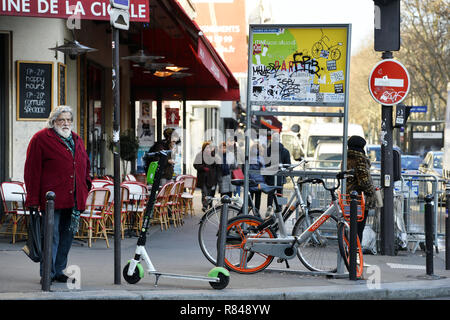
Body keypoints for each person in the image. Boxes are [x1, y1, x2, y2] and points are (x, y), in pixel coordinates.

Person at [24, 105, 92, 284]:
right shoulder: (41, 139)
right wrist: (31, 199)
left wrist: (86, 184)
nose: (66, 123)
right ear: (54, 121)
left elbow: (86, 164)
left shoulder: (77, 139)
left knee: (67, 236)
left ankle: (60, 269)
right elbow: (32, 171)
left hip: (74, 198)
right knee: (51, 236)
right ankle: (48, 272)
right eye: (62, 120)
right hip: (51, 199)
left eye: (69, 120)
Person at [346, 135, 377, 242]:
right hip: (360, 199)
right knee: (359, 228)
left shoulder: (346, 158)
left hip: (347, 197)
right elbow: (364, 181)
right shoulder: (360, 159)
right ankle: (355, 253)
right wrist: (372, 191)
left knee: (350, 227)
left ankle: (348, 251)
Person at [265, 131, 291, 208]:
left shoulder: (268, 150)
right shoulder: (285, 151)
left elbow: (265, 163)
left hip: (271, 176)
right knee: (280, 192)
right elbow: (288, 164)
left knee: (270, 193)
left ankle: (269, 207)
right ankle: (280, 208)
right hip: (281, 176)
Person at [194, 141, 220, 212]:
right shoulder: (199, 155)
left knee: (211, 192)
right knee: (204, 192)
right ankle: (205, 205)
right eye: (207, 147)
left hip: (212, 178)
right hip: (203, 178)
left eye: (209, 147)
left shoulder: (214, 155)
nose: (208, 149)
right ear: (204, 148)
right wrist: (202, 168)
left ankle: (210, 204)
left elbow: (218, 164)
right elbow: (195, 165)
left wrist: (214, 154)